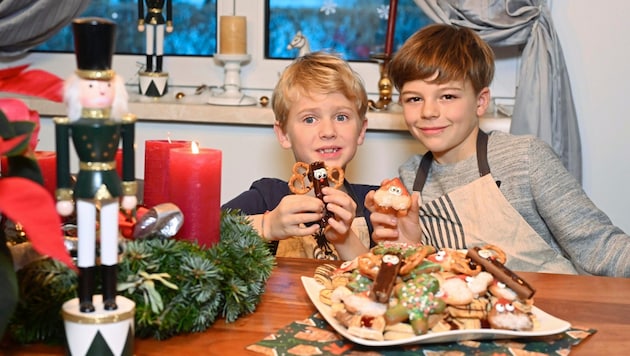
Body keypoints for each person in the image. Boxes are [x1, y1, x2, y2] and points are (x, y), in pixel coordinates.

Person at [366, 23, 630, 277]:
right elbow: (425, 278)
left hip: (552, 310)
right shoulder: (410, 180)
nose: (429, 112)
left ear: (480, 102)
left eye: (448, 96)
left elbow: (599, 247)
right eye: (415, 99)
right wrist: (407, 246)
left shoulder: (524, 158)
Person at [222, 52, 377, 261]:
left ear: (361, 131)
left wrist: (344, 238)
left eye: (341, 117)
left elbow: (382, 283)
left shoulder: (373, 205)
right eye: (310, 119)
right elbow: (199, 236)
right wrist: (267, 225)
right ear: (284, 134)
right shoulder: (266, 197)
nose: (328, 131)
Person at [56, 18, 138, 312]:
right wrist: (64, 194)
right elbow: (64, 159)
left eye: (104, 85)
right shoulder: (69, 123)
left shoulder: (122, 123)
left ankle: (111, 296)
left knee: (110, 243)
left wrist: (129, 189)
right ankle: (87, 298)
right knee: (87, 242)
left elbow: (128, 155)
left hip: (111, 185)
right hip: (87, 186)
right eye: (92, 85)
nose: (100, 91)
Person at [137, 0, 173, 73]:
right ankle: (149, 67)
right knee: (149, 45)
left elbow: (169, 5)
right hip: (149, 18)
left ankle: (159, 68)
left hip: (160, 18)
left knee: (159, 45)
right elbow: (140, 4)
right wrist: (141, 21)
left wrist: (169, 22)